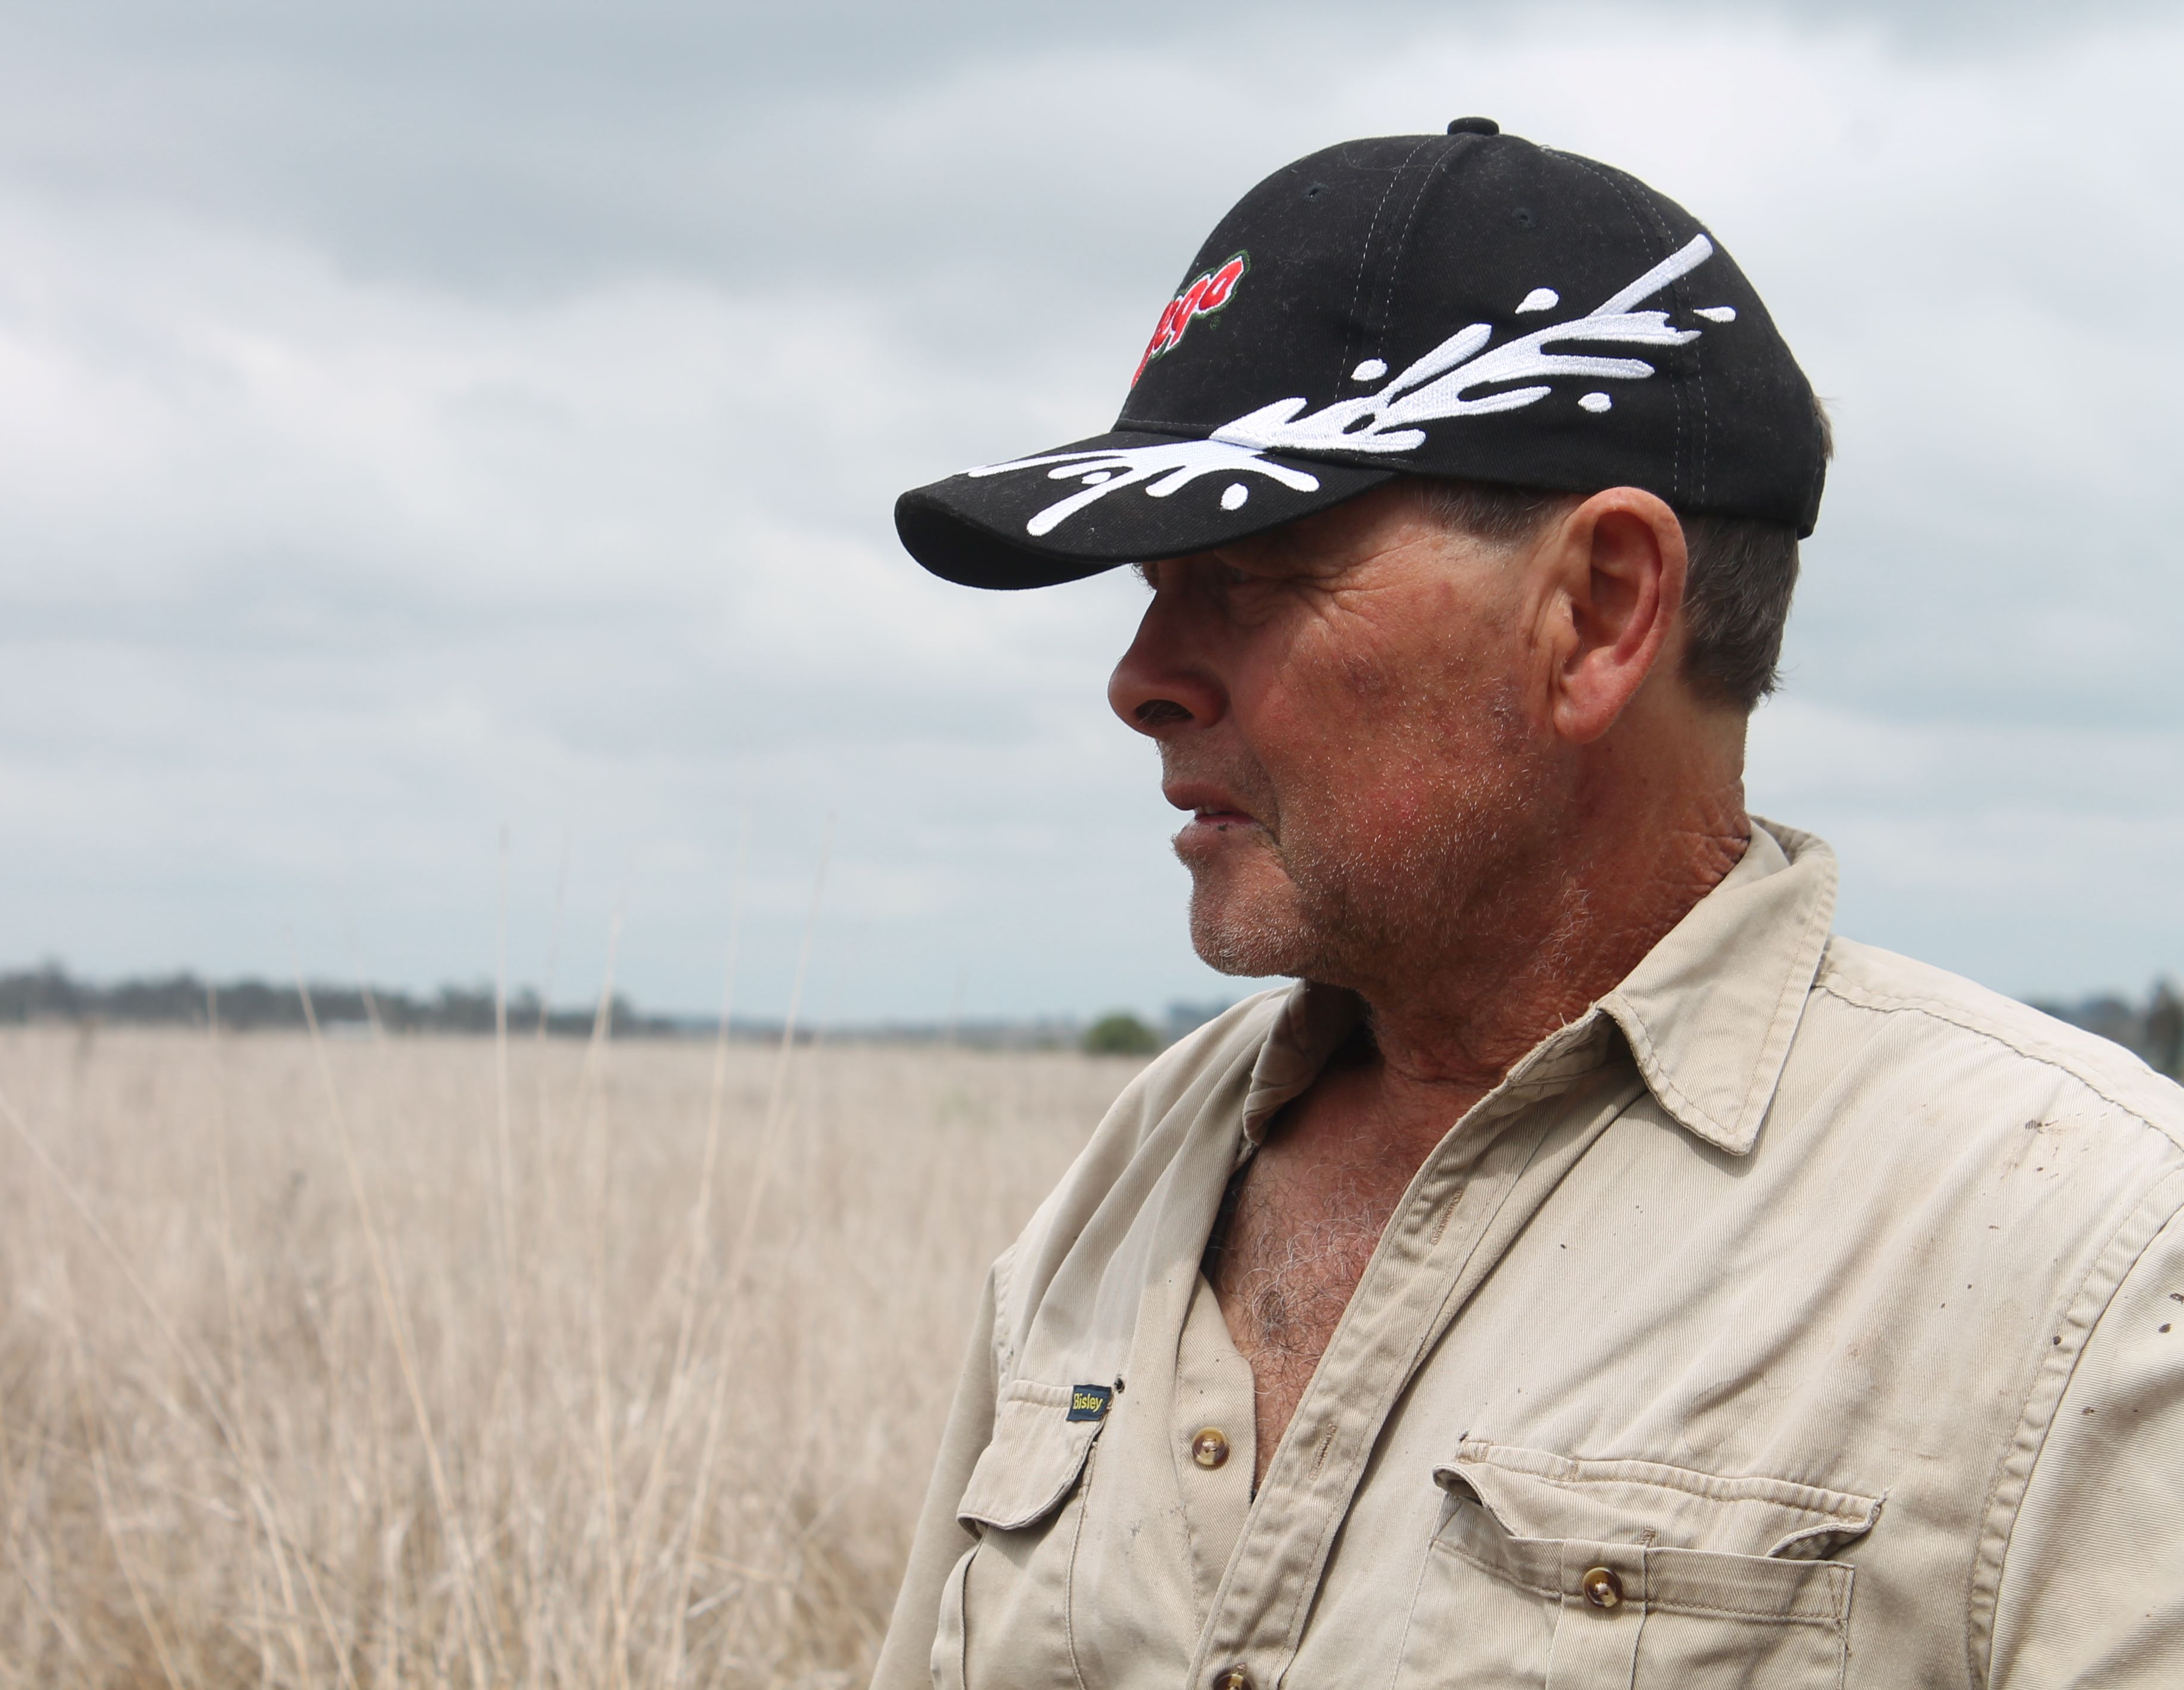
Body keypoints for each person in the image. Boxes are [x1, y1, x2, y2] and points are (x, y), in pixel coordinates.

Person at [873, 121, 2184, 1689]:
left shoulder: (2089, 1255)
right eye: (1150, 589)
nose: (1139, 681)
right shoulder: (1135, 1172)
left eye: (1247, 572)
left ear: (1602, 606)